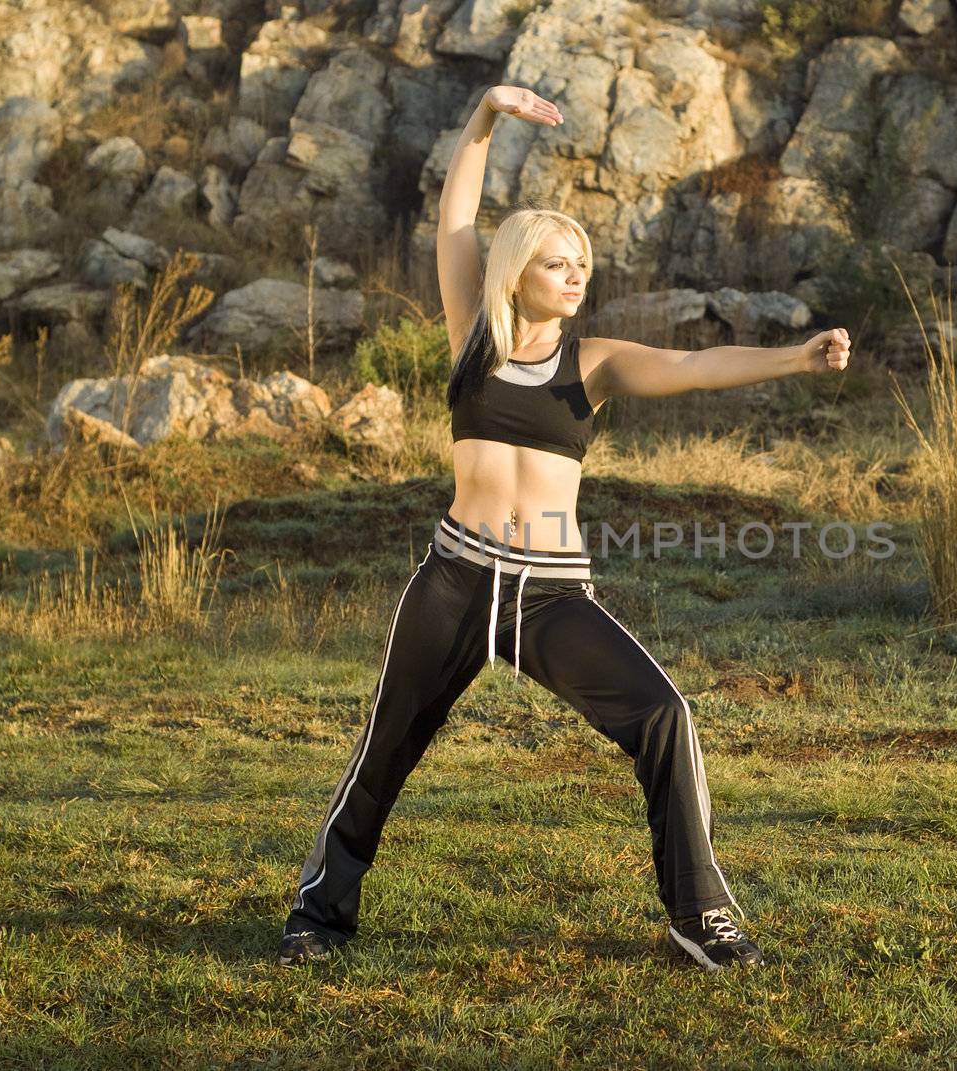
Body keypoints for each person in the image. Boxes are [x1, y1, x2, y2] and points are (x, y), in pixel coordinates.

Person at [278, 83, 851, 972]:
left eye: (581, 261)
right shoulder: (472, 334)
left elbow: (697, 366)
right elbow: (456, 220)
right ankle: (319, 914)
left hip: (548, 594)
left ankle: (702, 919)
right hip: (457, 581)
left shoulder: (594, 363)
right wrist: (480, 116)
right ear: (517, 274)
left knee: (664, 715)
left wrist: (793, 356)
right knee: (388, 741)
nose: (576, 274)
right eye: (557, 261)